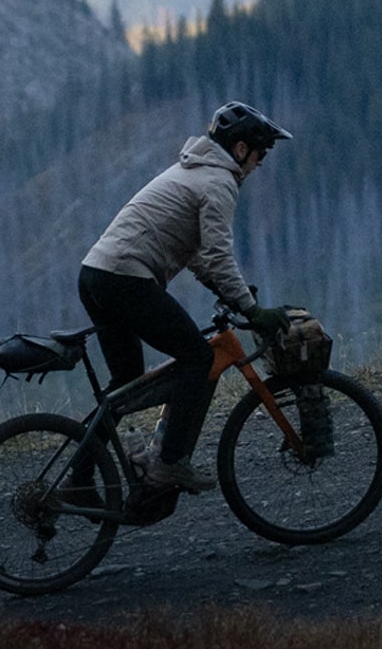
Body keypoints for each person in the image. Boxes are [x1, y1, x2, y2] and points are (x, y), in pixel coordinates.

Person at [80, 100, 287, 496]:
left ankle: (79, 475)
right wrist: (252, 309)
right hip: (126, 277)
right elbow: (217, 254)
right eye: (261, 152)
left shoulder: (192, 171)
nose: (261, 162)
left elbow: (196, 256)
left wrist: (230, 293)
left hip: (96, 274)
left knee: (125, 381)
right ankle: (169, 462)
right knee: (200, 357)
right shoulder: (219, 182)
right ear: (241, 149)